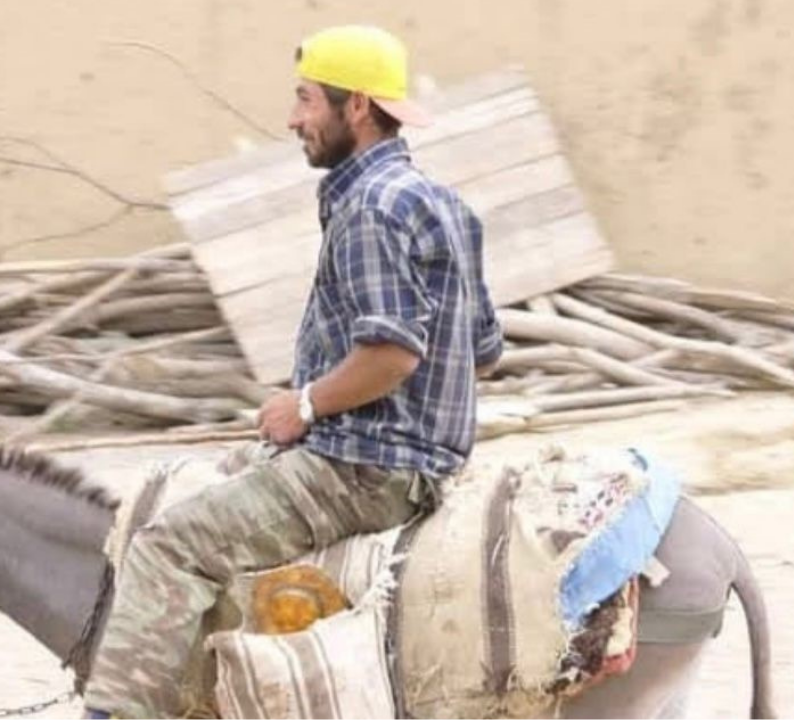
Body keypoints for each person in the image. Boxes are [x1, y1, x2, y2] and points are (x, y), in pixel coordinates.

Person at [83, 24, 502, 718]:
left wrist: (305, 405)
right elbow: (482, 351)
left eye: (306, 100)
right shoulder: (445, 204)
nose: (292, 119)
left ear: (358, 108)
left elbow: (393, 352)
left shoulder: (370, 208)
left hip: (361, 471)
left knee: (168, 546)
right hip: (416, 461)